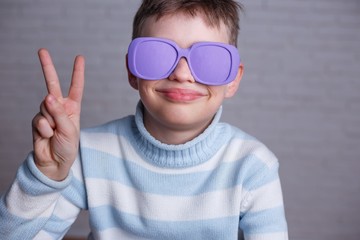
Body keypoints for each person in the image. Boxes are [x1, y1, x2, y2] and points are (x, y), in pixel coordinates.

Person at [0, 0, 288, 239]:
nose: (182, 74)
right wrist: (46, 176)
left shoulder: (254, 166)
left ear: (233, 80)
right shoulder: (86, 154)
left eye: (210, 59)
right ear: (132, 72)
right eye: (158, 54)